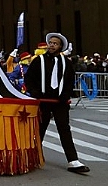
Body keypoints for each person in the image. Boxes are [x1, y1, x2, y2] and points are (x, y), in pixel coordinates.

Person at [24, 32, 90, 173]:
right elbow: (29, 78)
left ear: (60, 47)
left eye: (55, 43)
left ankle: (73, 160)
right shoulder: (39, 60)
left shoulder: (66, 62)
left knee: (64, 129)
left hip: (60, 101)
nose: (52, 45)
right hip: (43, 101)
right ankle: (33, 157)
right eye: (51, 43)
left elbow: (69, 80)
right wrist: (34, 92)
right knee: (40, 129)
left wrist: (65, 94)